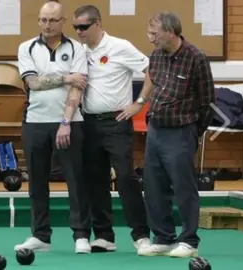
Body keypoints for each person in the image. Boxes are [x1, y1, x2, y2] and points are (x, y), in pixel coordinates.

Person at [72, 5, 151, 253]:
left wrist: (139, 104)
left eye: (83, 27)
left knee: (126, 176)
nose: (79, 32)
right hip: (88, 123)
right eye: (75, 27)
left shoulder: (120, 46)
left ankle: (141, 235)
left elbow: (152, 71)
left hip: (116, 122)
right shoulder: (78, 52)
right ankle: (104, 235)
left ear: (97, 24)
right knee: (95, 180)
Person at [14, 1, 91, 253]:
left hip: (70, 123)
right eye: (43, 20)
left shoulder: (77, 48)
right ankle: (41, 236)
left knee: (76, 180)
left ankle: (81, 235)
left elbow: (78, 87)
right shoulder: (26, 48)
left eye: (52, 20)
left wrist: (65, 122)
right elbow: (33, 84)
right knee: (36, 181)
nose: (47, 25)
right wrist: (66, 76)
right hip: (35, 122)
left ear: (62, 22)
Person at [137, 12, 215, 257]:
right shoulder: (156, 57)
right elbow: (154, 90)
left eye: (154, 34)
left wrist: (193, 131)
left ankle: (189, 241)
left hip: (182, 131)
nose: (150, 39)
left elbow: (208, 102)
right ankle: (163, 237)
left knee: (183, 187)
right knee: (153, 186)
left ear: (171, 32)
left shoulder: (196, 57)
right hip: (156, 130)